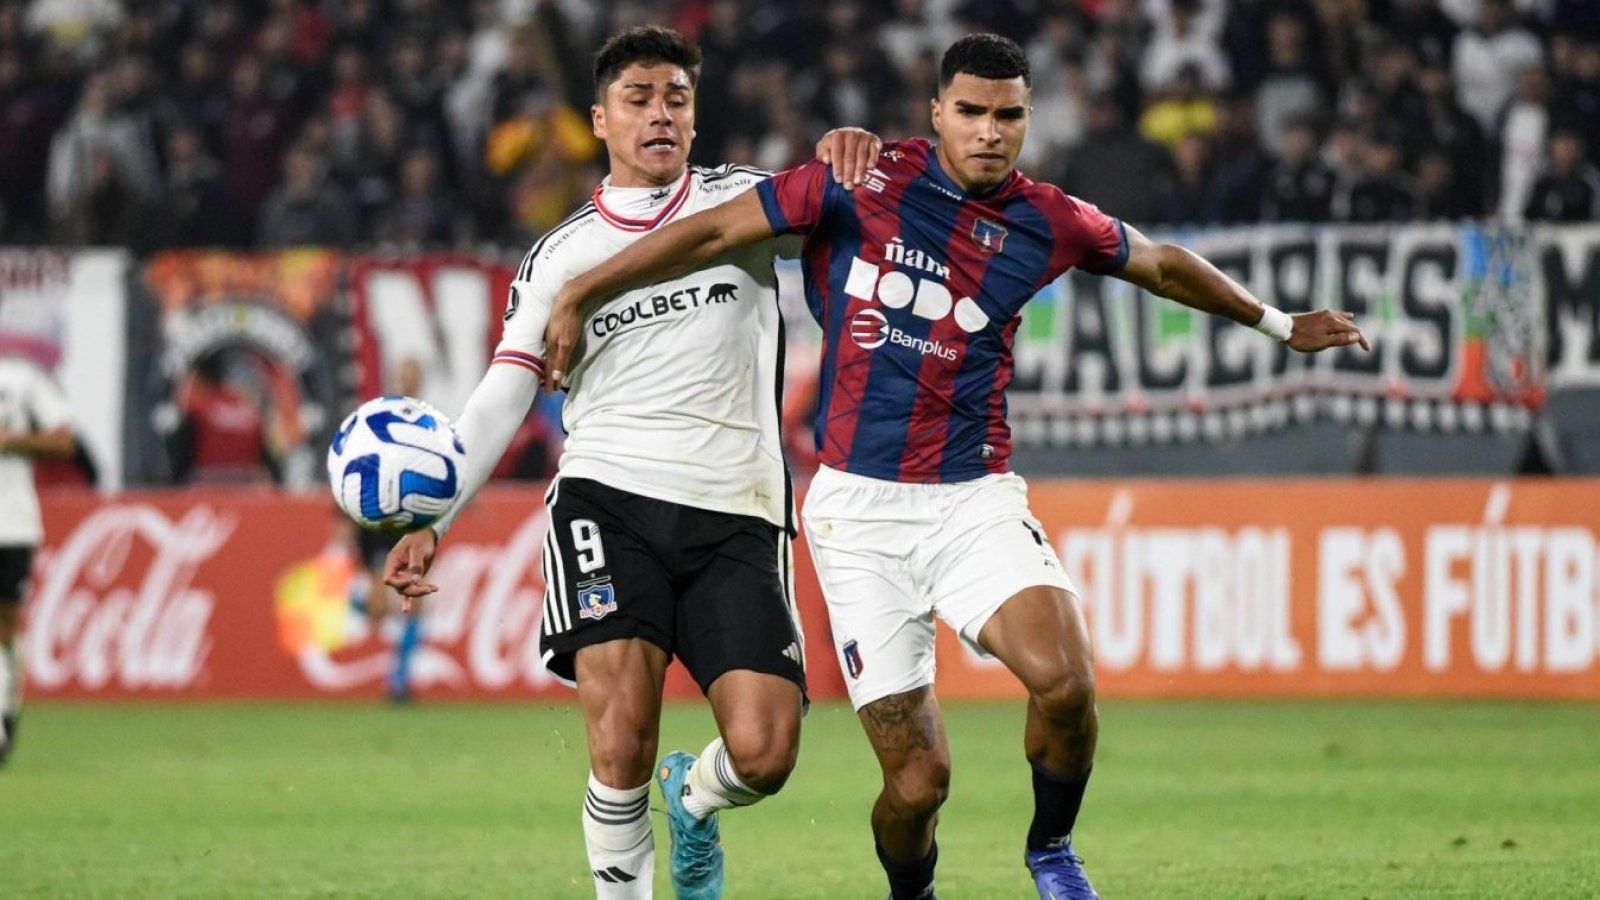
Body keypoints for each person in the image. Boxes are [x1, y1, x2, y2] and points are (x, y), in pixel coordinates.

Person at [541, 34, 1368, 900]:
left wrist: (1278, 324)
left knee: (1065, 680)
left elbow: (1159, 262)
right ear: (936, 114)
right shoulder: (856, 182)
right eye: (970, 112)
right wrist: (579, 290)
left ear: (1027, 122)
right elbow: (710, 228)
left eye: (1008, 115)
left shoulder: (1048, 218)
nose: (988, 131)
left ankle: (1051, 850)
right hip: (858, 517)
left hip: (973, 496)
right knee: (917, 785)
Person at [383, 26, 881, 900]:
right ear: (599, 120)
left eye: (676, 100)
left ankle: (692, 803)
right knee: (620, 740)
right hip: (606, 503)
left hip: (739, 509)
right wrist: (435, 517)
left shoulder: (744, 203)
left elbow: (854, 202)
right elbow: (502, 395)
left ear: (695, 117)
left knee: (766, 753)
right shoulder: (559, 256)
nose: (660, 115)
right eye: (639, 99)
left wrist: (852, 155)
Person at [0, 353, 77, 766]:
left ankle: (5, 714)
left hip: (10, 522)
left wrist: (10, 441)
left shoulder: (20, 379)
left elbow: (64, 440)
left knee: (6, 628)